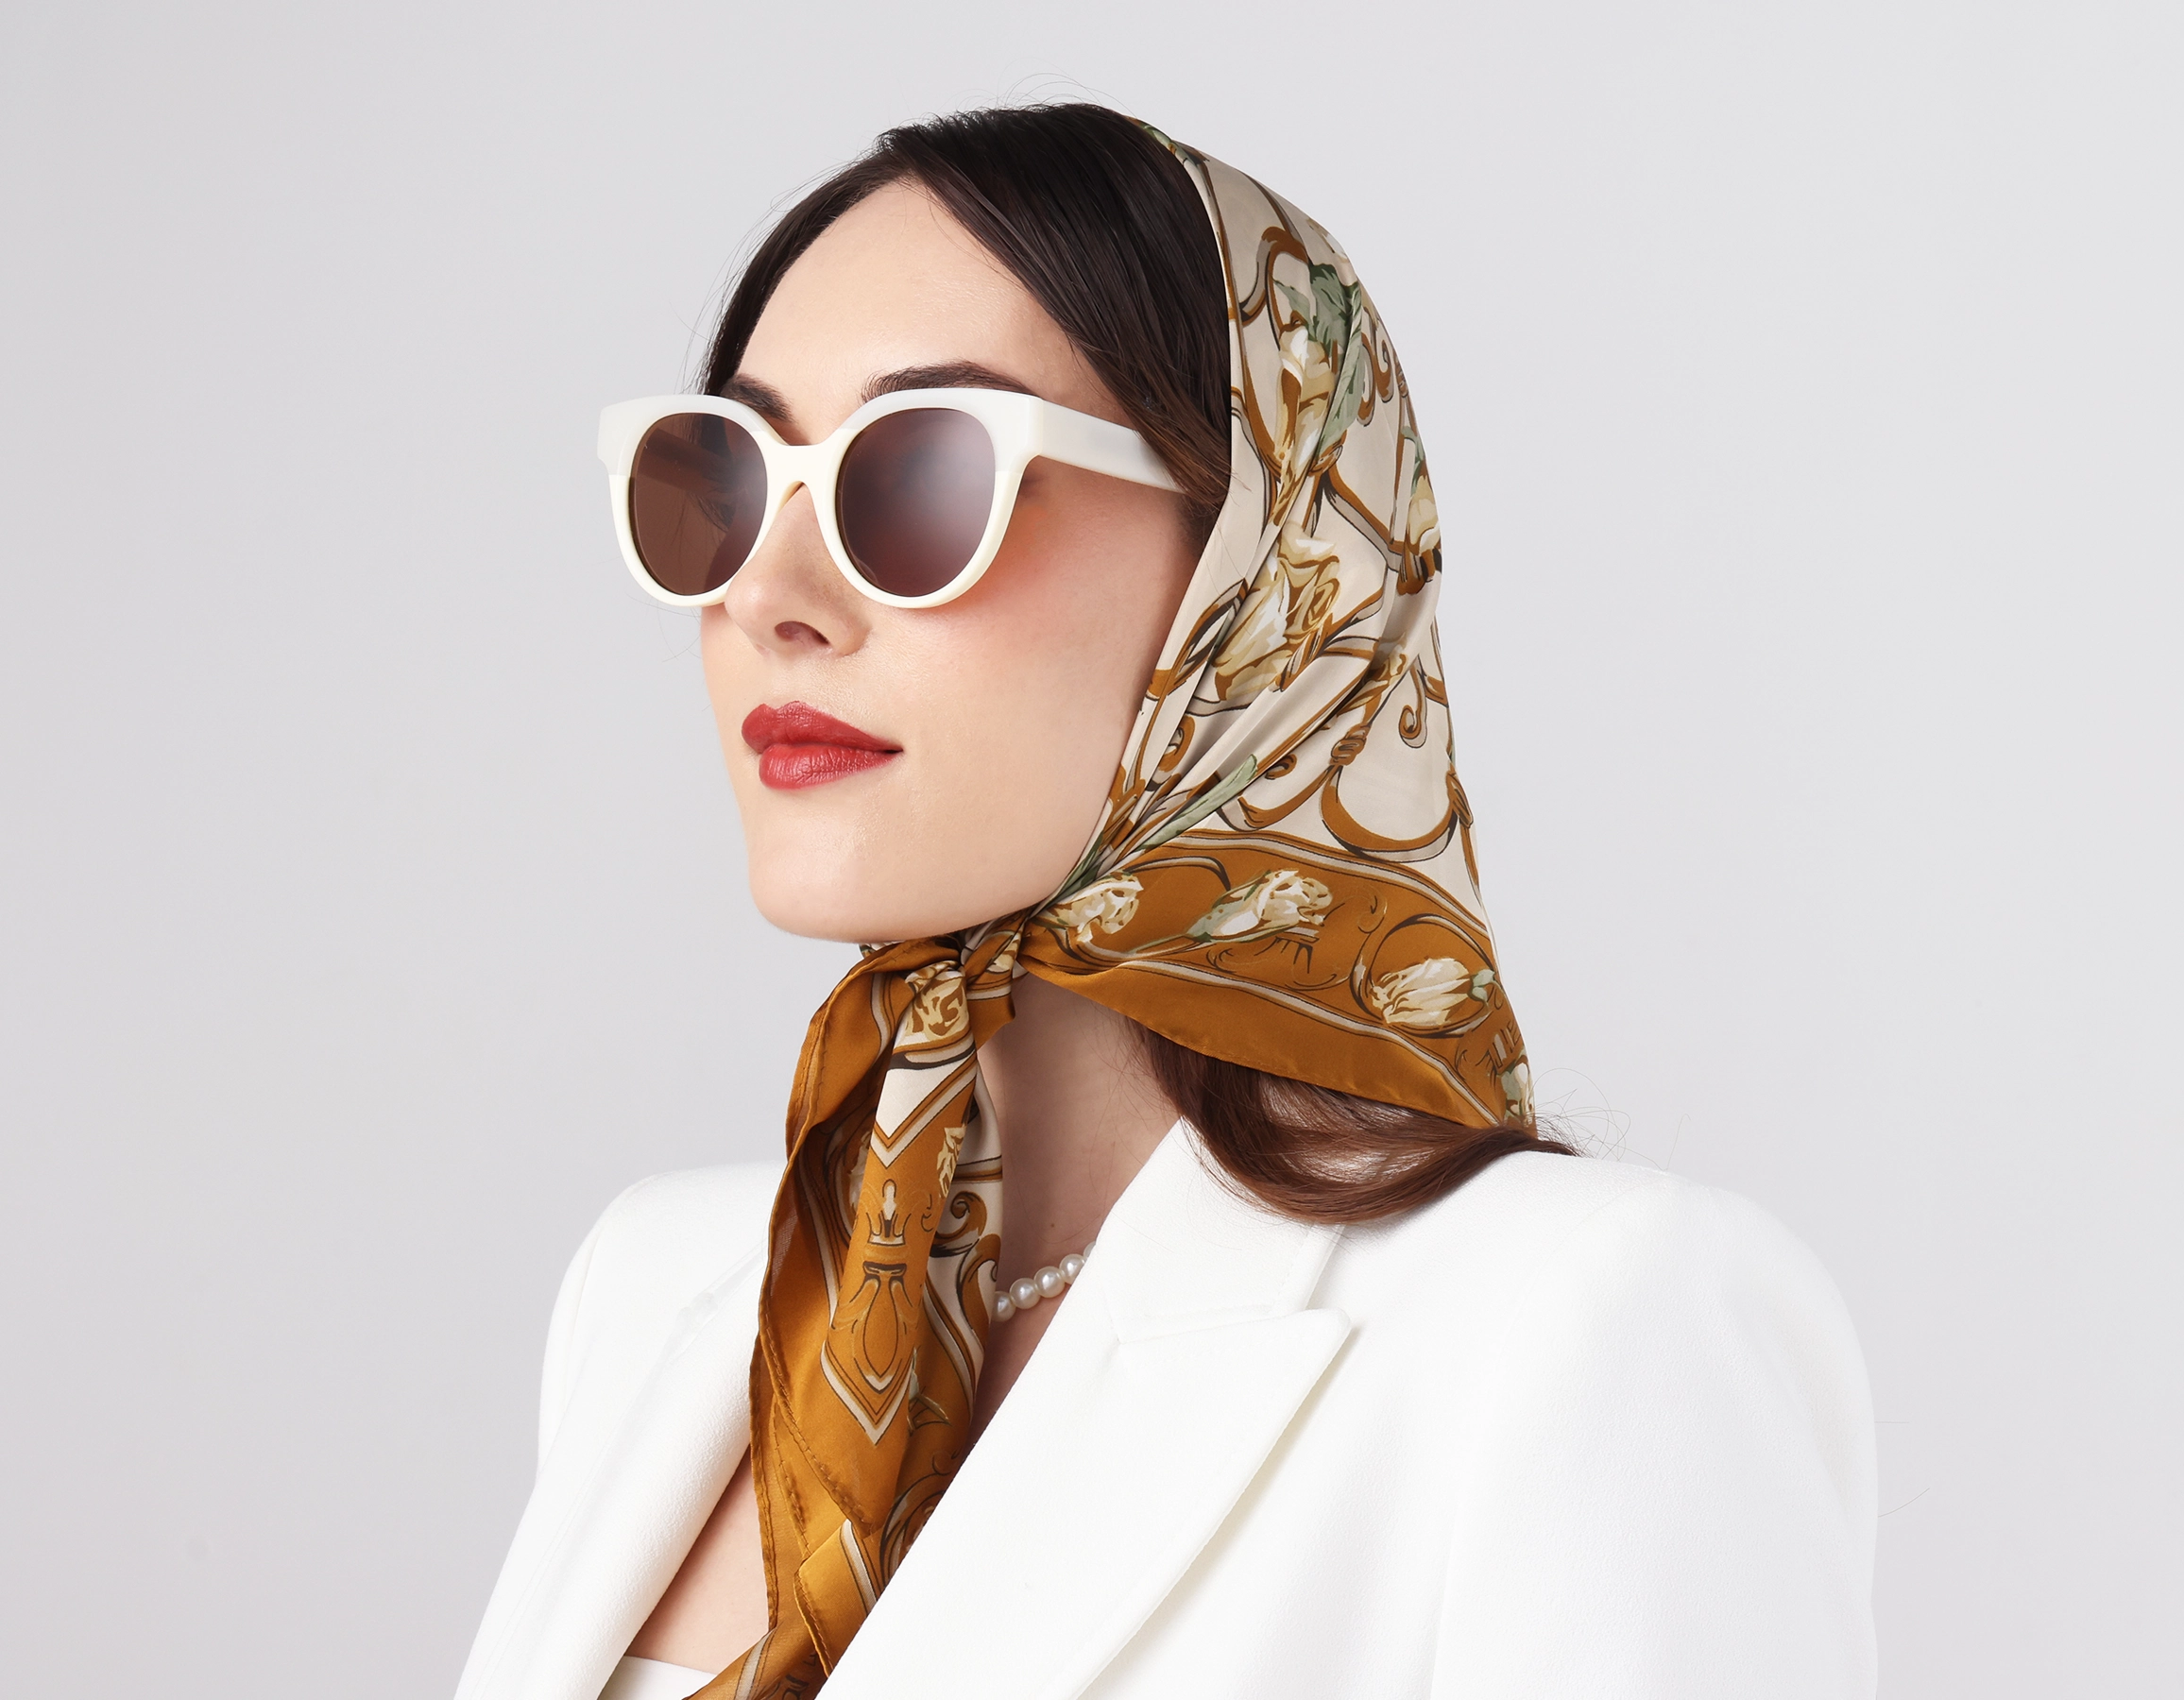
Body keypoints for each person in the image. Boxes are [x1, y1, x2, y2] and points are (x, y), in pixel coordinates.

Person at [454, 105, 1878, 1700]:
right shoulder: (660, 1291)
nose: (769, 599)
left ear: (1263, 576)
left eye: (918, 479)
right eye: (721, 478)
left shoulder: (1583, 1327)